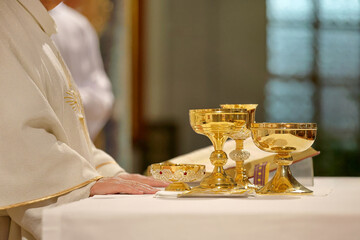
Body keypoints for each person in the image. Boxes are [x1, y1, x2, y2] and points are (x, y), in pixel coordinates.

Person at [0, 0, 167, 239]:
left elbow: (65, 129)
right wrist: (83, 182)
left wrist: (108, 173)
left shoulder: (30, 21)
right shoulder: (6, 21)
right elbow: (12, 135)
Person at [50, 3, 113, 140]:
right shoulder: (11, 23)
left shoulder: (76, 26)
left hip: (72, 142)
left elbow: (101, 96)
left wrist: (61, 101)